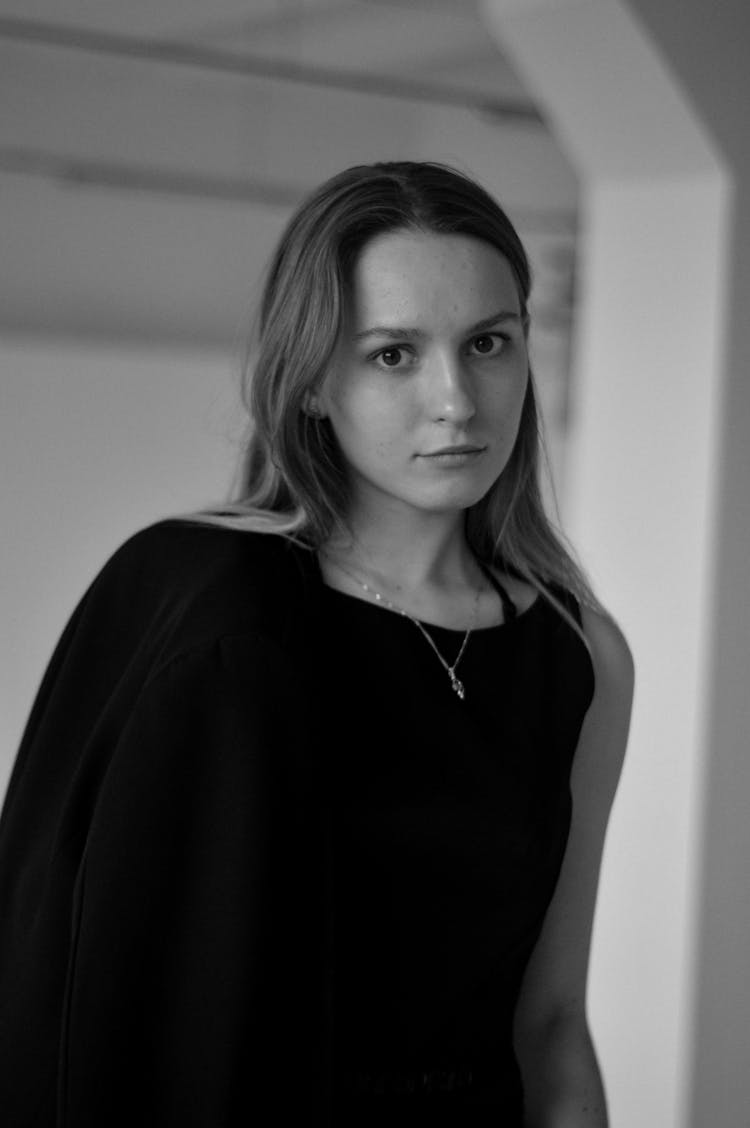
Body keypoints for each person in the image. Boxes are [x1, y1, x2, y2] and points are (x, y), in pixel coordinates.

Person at [0, 161, 634, 1127]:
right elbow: (45, 966)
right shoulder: (191, 598)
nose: (457, 398)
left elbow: (550, 1022)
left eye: (488, 343)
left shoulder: (579, 653)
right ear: (309, 382)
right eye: (393, 354)